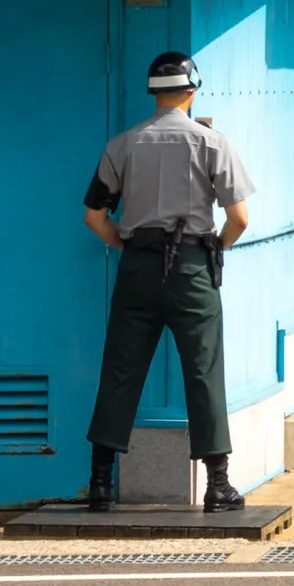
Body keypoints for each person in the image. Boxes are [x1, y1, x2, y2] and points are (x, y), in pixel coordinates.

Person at [81, 51, 255, 512]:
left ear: (152, 92)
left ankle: (100, 481)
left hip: (138, 263)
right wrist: (214, 247)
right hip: (192, 265)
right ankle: (217, 484)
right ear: (192, 89)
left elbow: (94, 216)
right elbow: (238, 218)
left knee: (121, 367)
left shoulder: (122, 144)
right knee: (202, 370)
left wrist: (125, 244)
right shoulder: (212, 143)